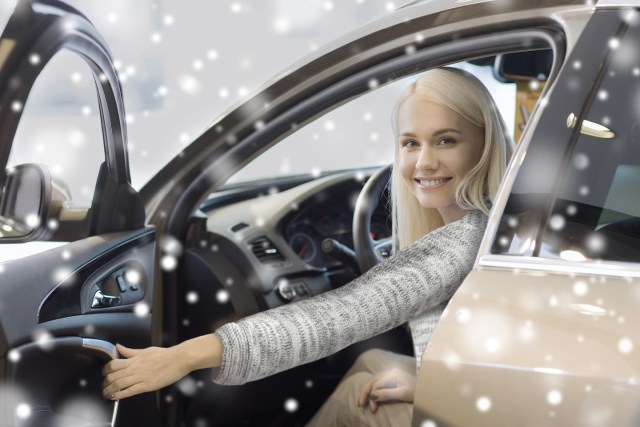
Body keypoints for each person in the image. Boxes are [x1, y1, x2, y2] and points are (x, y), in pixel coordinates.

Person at [102, 67, 513, 425]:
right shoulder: (497, 223)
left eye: (445, 141)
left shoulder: (459, 245)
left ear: (484, 143)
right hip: (497, 399)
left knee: (356, 400)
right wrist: (427, 383)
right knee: (369, 367)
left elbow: (335, 318)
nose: (423, 162)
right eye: (410, 143)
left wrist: (182, 357)